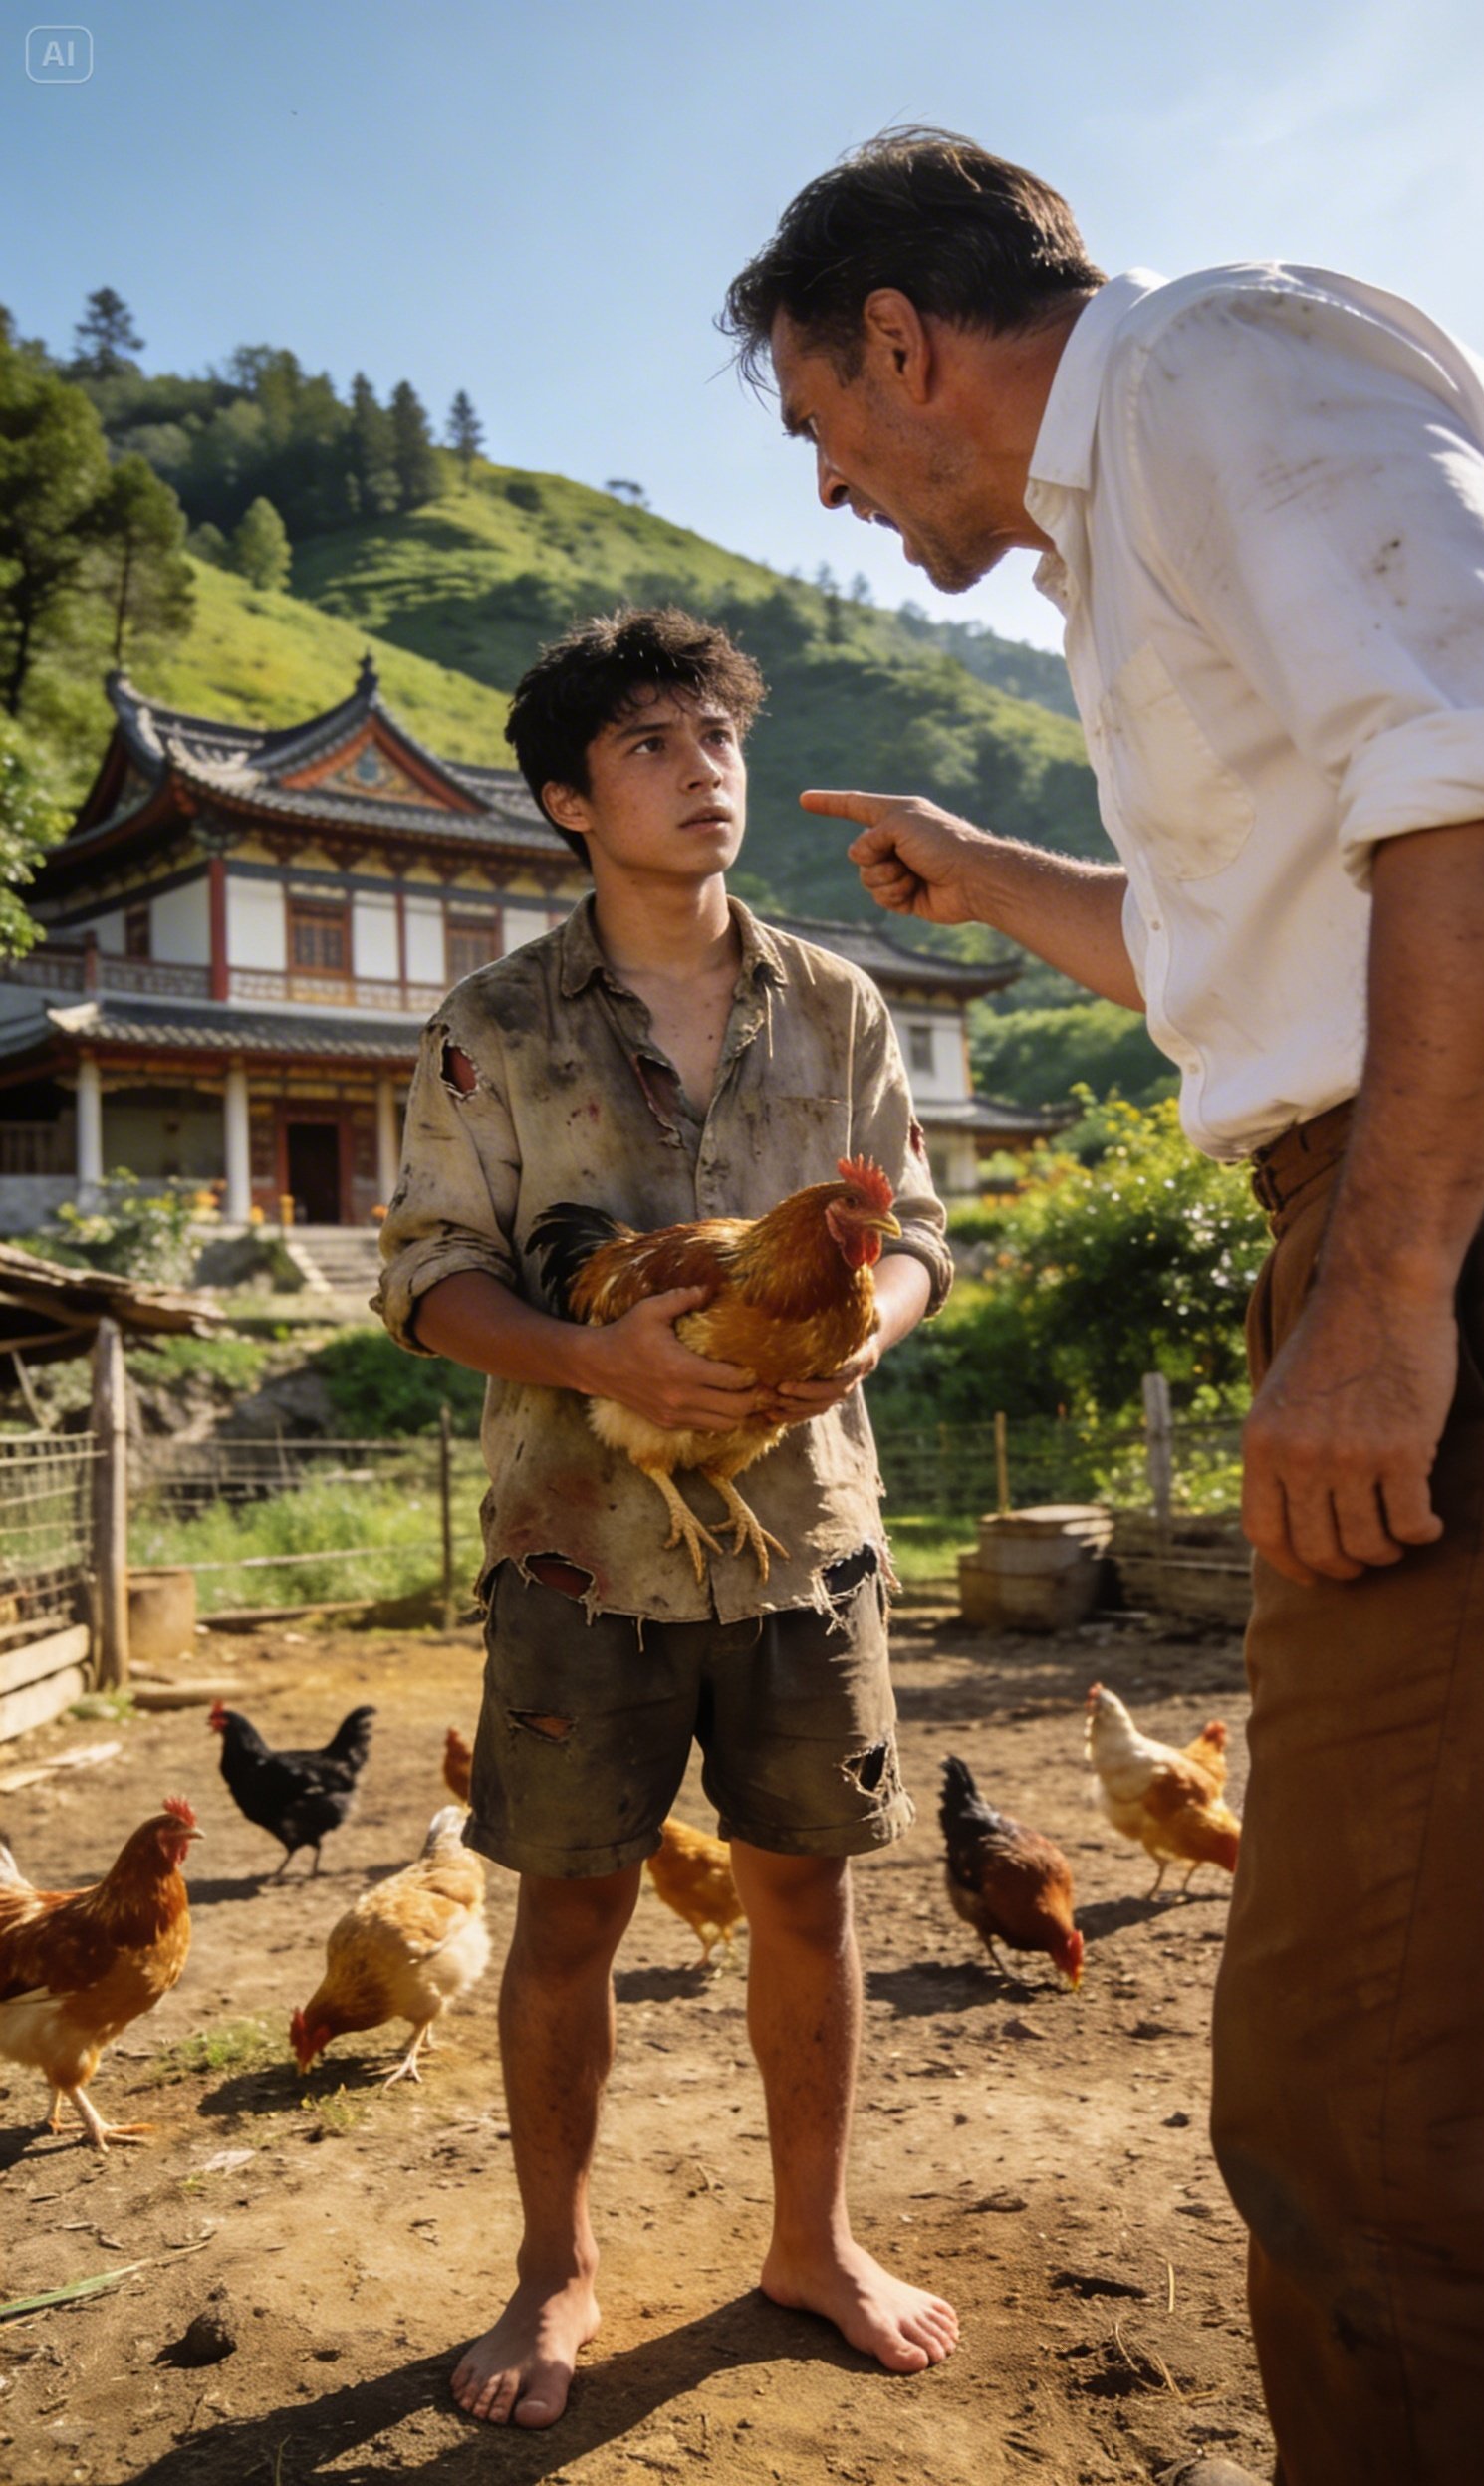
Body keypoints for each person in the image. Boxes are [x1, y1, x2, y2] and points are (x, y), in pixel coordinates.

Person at [723, 131, 1484, 2486]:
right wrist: (993, 863)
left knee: (1362, 2110)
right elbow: (1253, 957)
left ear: (905, 343)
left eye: (815, 421)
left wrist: (1383, 1296)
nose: (829, 485)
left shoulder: (1215, 366)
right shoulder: (1165, 500)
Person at [373, 607, 959, 2428]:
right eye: (651, 743)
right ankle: (556, 2276)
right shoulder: (492, 1024)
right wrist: (587, 1354)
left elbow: (926, 1231)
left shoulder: (846, 1001)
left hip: (809, 1535)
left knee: (805, 1896)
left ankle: (814, 2241)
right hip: (578, 1540)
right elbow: (422, 1275)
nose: (705, 767)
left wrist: (872, 1329)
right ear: (565, 797)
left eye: (717, 736)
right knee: (568, 1914)